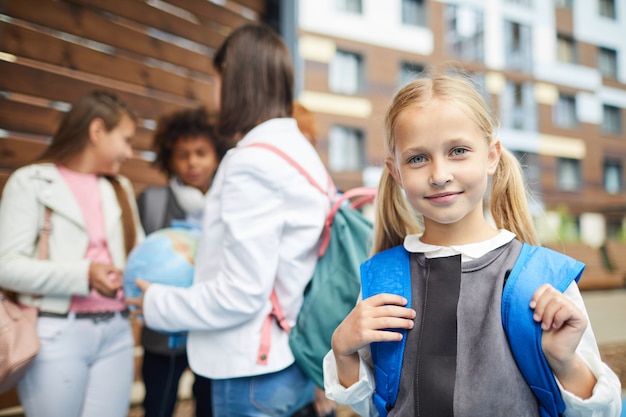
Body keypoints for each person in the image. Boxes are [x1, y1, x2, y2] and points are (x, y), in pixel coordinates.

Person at [323, 73, 623, 416]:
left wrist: (564, 359)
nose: (439, 174)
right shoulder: (382, 278)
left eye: (458, 151)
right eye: (417, 158)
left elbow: (604, 411)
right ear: (396, 172)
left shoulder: (542, 280)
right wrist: (344, 352)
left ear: (492, 155)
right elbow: (374, 405)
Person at [128, 23, 332, 417]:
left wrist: (156, 302)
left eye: (216, 77)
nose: (214, 90)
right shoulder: (299, 154)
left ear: (233, 78)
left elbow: (240, 294)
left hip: (251, 370)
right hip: (288, 358)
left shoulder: (251, 161)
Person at [0, 90, 145, 417]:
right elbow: (6, 267)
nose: (129, 151)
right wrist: (85, 273)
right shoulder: (30, 182)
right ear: (97, 132)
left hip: (117, 332)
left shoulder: (119, 187)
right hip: (55, 332)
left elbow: (139, 256)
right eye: (125, 139)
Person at [137, 106, 228, 417]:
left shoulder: (232, 201)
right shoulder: (151, 201)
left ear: (217, 155)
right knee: (157, 406)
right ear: (168, 159)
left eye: (201, 152)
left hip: (212, 328)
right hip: (162, 332)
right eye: (183, 154)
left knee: (209, 406)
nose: (192, 162)